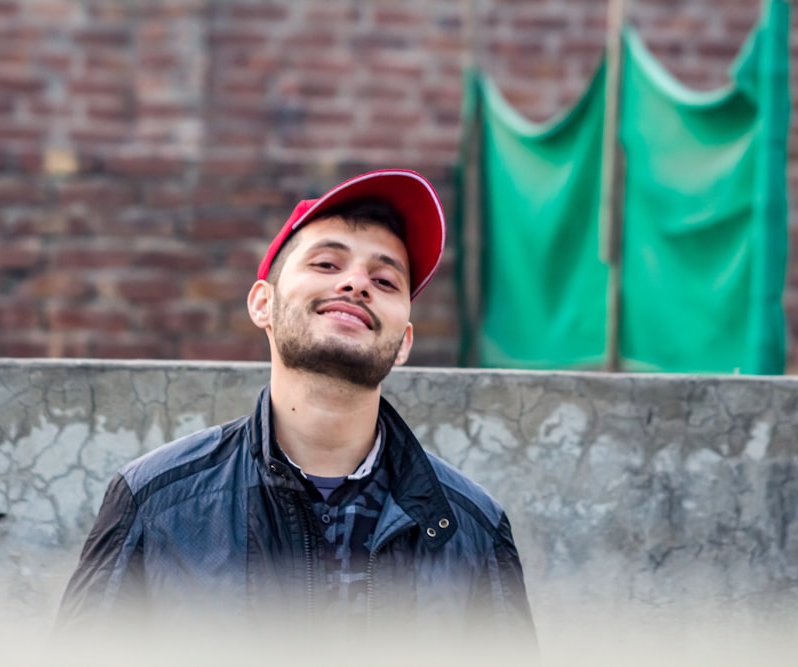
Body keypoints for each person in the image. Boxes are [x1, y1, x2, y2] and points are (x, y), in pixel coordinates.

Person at [56, 169, 535, 652]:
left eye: (385, 280)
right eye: (328, 264)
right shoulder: (154, 502)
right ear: (263, 303)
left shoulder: (472, 527)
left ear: (404, 341)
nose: (356, 284)